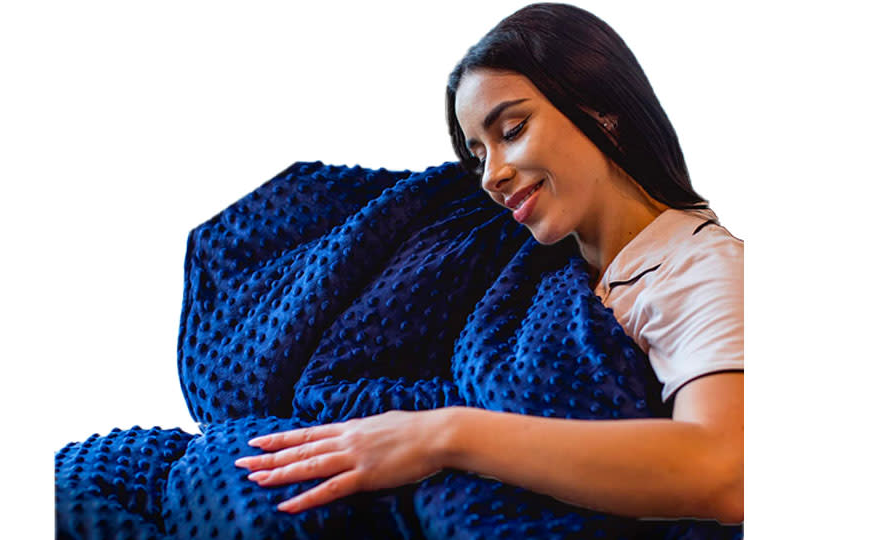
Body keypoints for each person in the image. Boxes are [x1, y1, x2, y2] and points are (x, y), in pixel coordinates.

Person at [234, 2, 743, 524]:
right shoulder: (531, 260)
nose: (490, 177)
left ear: (602, 110)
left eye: (513, 129)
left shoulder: (697, 265)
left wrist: (444, 435)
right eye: (477, 156)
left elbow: (726, 472)